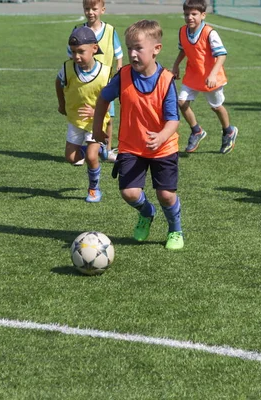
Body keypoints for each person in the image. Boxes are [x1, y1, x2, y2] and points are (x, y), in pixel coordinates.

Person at [92, 20, 184, 250]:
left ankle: (175, 229)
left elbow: (173, 119)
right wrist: (96, 129)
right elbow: (103, 98)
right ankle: (147, 212)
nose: (132, 54)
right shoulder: (123, 76)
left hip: (163, 147)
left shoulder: (165, 80)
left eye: (138, 48)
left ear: (156, 49)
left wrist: (162, 136)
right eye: (129, 48)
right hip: (132, 146)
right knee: (129, 192)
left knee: (165, 195)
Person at [171, 0, 237, 154]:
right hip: (193, 75)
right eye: (187, 14)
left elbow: (221, 55)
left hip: (210, 77)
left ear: (203, 15)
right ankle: (197, 131)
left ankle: (228, 131)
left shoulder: (210, 33)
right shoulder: (183, 31)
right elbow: (184, 50)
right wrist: (175, 66)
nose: (190, 17)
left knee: (216, 107)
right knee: (181, 102)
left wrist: (213, 74)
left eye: (194, 14)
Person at [56, 26, 112, 203]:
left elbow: (110, 96)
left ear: (94, 49)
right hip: (75, 119)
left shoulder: (104, 72)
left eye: (81, 51)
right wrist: (62, 104)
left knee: (91, 156)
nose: (77, 57)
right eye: (73, 52)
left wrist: (98, 112)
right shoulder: (67, 68)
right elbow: (58, 82)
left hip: (96, 120)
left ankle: (94, 189)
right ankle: (99, 148)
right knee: (71, 158)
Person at [68, 0, 123, 162]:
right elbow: (70, 53)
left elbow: (118, 53)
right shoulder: (78, 31)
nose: (90, 12)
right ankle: (90, 146)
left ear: (102, 10)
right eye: (87, 9)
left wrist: (119, 66)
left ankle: (106, 148)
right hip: (85, 81)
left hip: (105, 81)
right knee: (86, 111)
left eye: (94, 9)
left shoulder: (110, 30)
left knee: (109, 116)